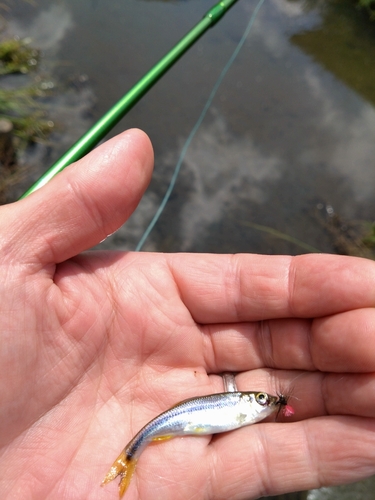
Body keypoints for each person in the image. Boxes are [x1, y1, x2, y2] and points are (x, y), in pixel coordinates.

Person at [1, 128, 375, 500]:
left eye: (263, 400)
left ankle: (128, 458)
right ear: (247, 403)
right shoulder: (244, 408)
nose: (265, 403)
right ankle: (128, 457)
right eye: (260, 401)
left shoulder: (243, 409)